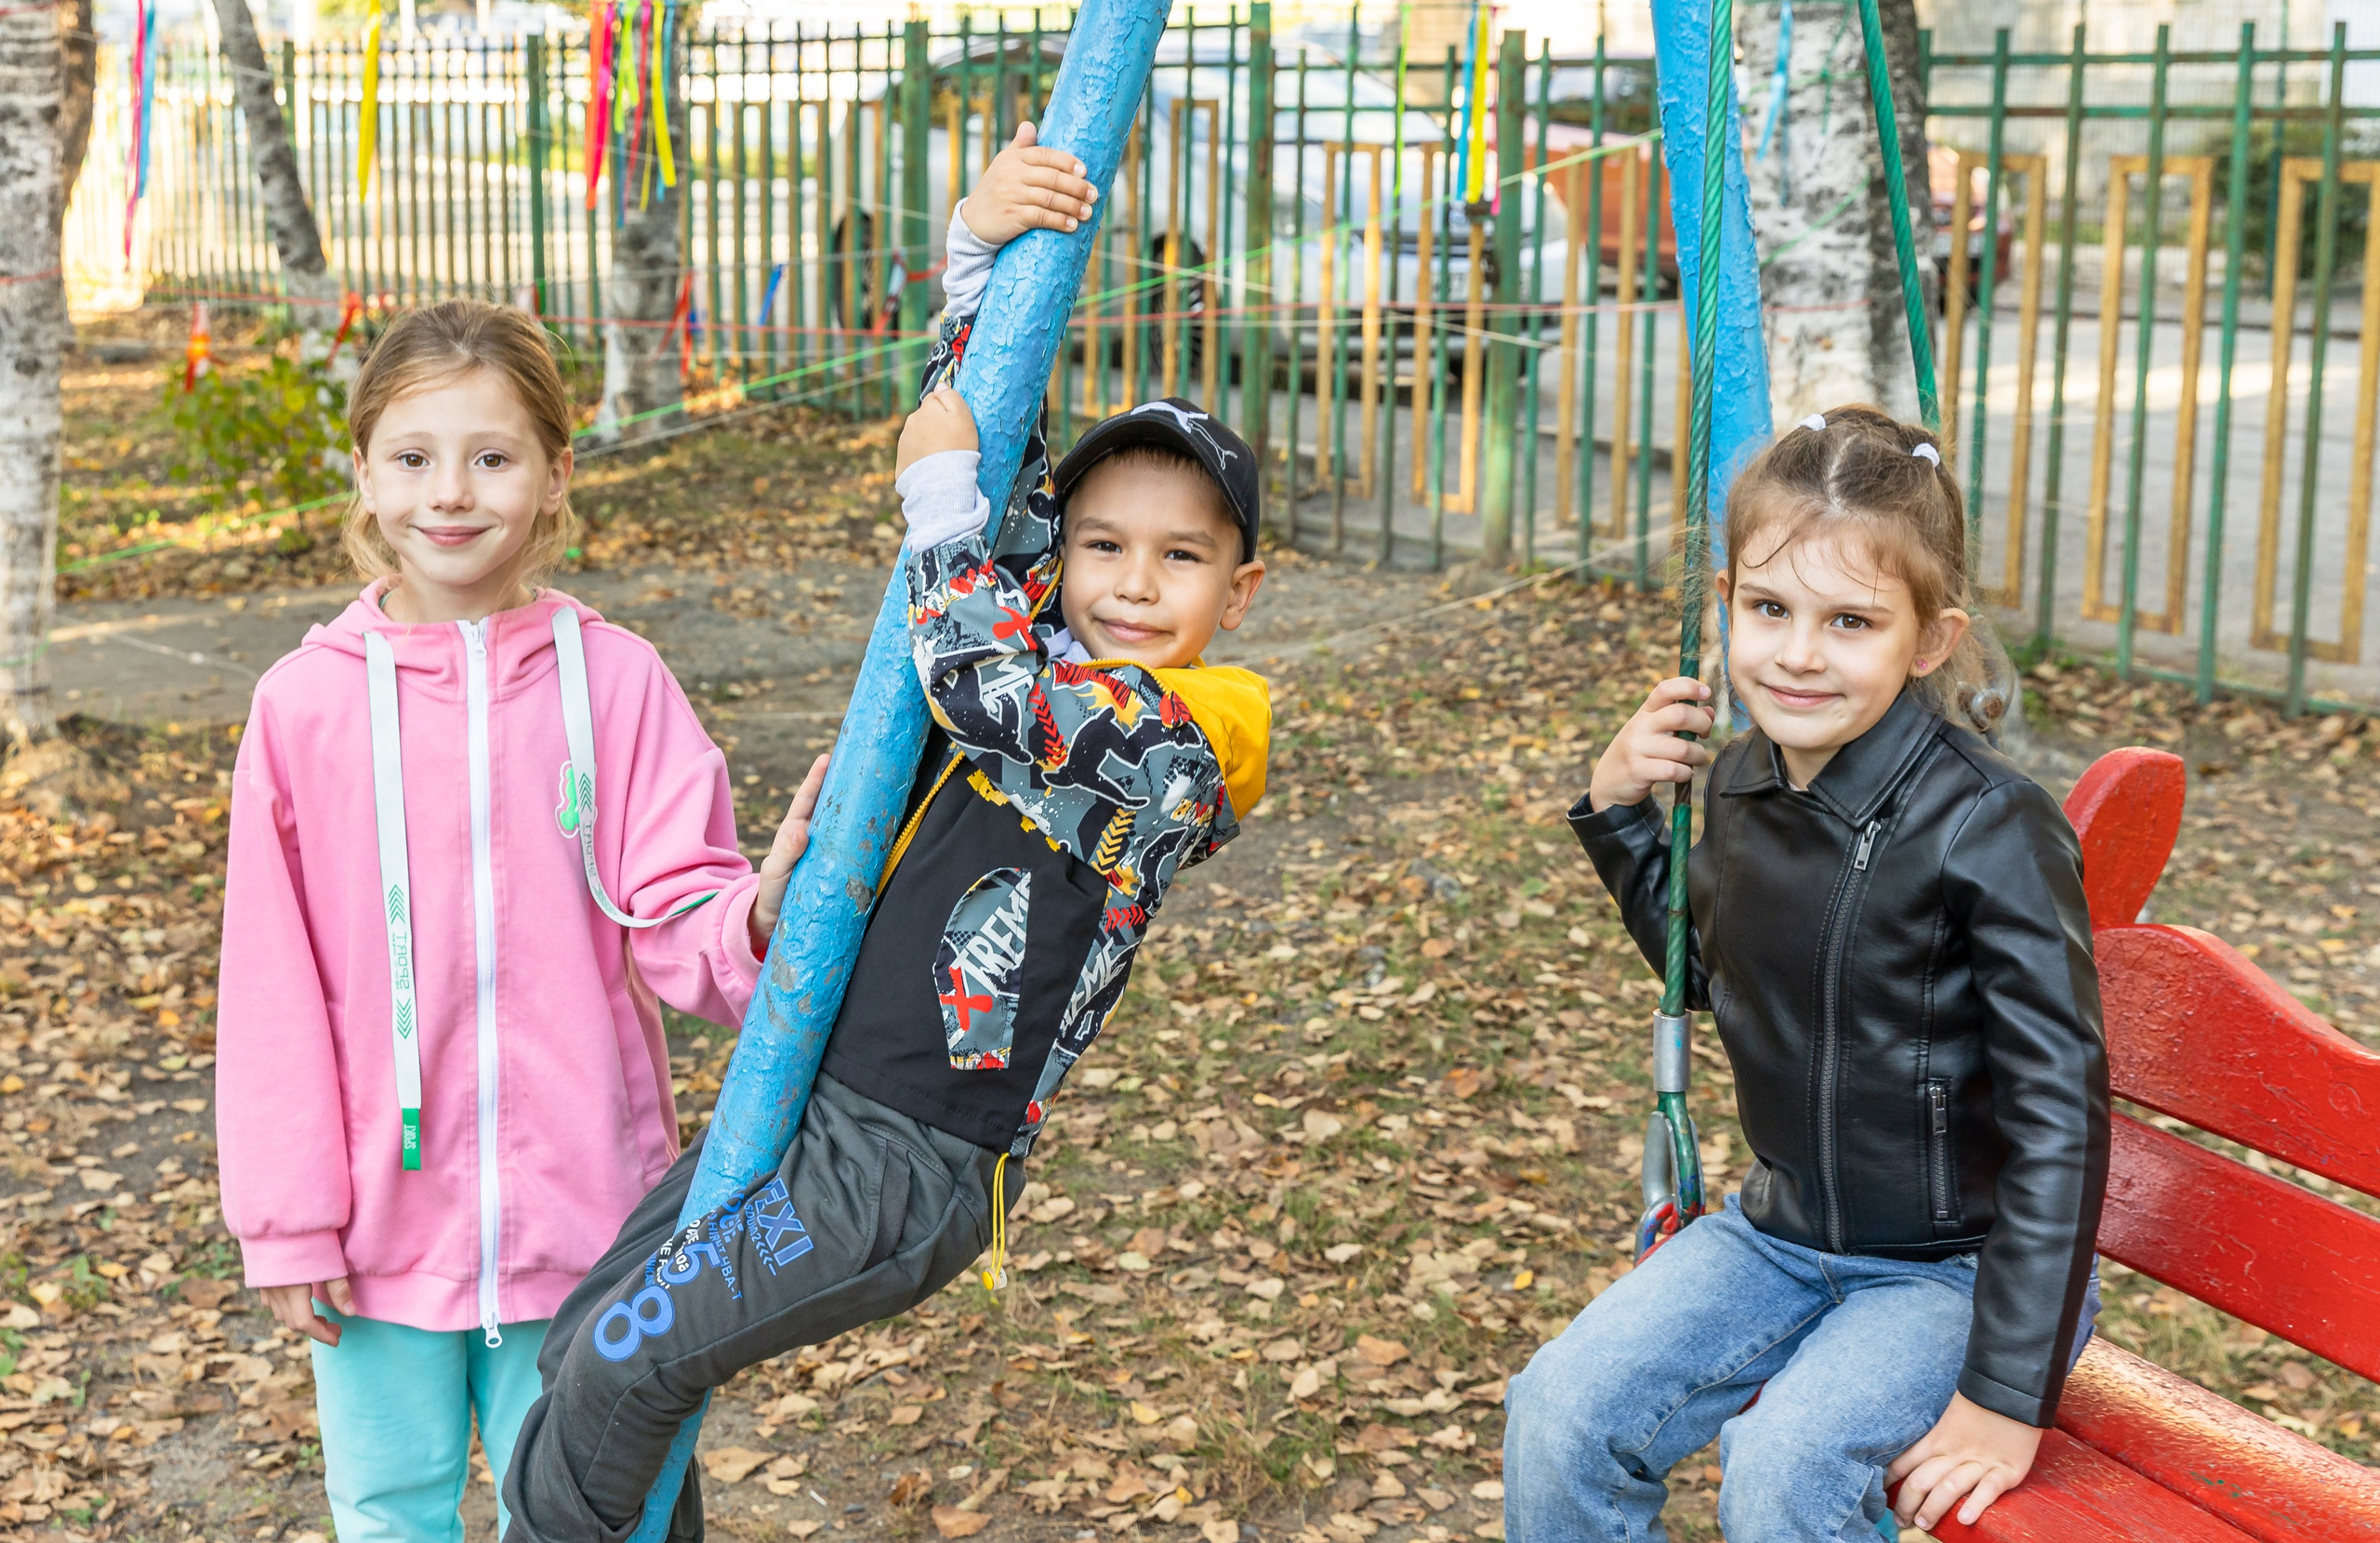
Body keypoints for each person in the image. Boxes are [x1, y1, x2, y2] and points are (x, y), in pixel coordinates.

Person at [499, 125, 1273, 1541]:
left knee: (621, 1365)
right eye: (1102, 544)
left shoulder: (1196, 732)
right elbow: (977, 448)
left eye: (1183, 555)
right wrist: (979, 255)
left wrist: (936, 510)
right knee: (587, 1351)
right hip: (810, 1089)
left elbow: (990, 682)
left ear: (1244, 584)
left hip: (911, 1157)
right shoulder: (1054, 626)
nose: (1133, 582)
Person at [216, 300, 826, 1543]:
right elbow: (267, 989)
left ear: (553, 477)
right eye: (413, 457)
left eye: (492, 457)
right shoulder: (302, 710)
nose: (451, 492)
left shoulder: (620, 684)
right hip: (378, 1237)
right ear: (365, 478)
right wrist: (288, 1223)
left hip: (594, 1230)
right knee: (391, 1512)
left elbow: (679, 918)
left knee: (598, 1518)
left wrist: (759, 917)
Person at [1504, 405, 2109, 1543]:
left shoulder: (1991, 828)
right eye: (1769, 608)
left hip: (1958, 1272)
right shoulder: (1737, 782)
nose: (1796, 653)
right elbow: (1717, 976)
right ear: (1726, 601)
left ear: (1928, 640)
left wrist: (2003, 1395)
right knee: (1560, 1410)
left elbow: (2060, 1122)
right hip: (1779, 1234)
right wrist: (1621, 812)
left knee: (1783, 1464)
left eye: (1850, 621)